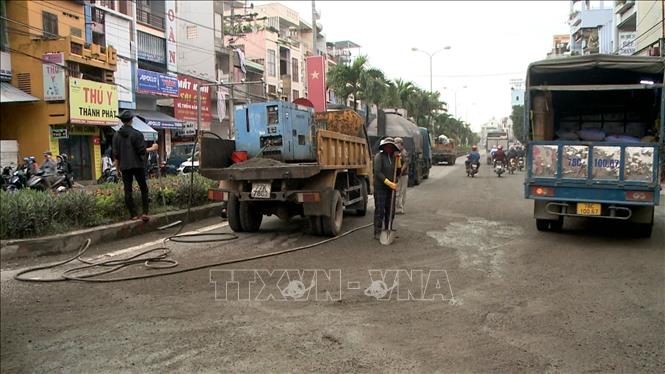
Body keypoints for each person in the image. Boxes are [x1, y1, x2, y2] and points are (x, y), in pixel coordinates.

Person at [112, 110, 158, 221]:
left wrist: (117, 169)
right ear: (131, 120)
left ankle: (133, 214)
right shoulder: (137, 134)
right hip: (138, 165)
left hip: (124, 166)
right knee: (143, 188)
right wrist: (153, 148)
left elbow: (116, 155)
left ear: (122, 121)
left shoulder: (116, 136)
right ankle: (145, 213)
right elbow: (141, 151)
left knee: (128, 190)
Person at [373, 137, 400, 240]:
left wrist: (398, 163)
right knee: (380, 210)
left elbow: (397, 173)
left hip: (390, 189)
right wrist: (388, 183)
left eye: (391, 147)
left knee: (390, 210)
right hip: (380, 188)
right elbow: (377, 172)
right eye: (387, 147)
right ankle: (377, 231)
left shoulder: (394, 157)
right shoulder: (379, 157)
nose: (389, 148)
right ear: (384, 147)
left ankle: (388, 229)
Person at [394, 137, 409, 215]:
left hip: (403, 175)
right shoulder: (397, 152)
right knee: (397, 191)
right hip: (399, 175)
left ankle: (400, 208)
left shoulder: (403, 152)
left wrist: (400, 171)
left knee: (402, 192)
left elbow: (406, 163)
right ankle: (397, 207)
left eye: (397, 143)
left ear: (401, 144)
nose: (396, 144)